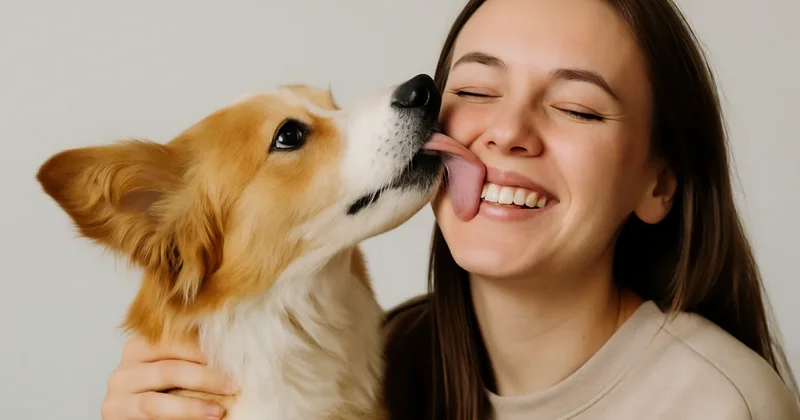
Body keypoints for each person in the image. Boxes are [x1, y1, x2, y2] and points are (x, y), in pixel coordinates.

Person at [100, 0, 800, 419]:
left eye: (578, 107)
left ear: (659, 184)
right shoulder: (383, 360)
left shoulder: (717, 403)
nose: (507, 132)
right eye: (479, 90)